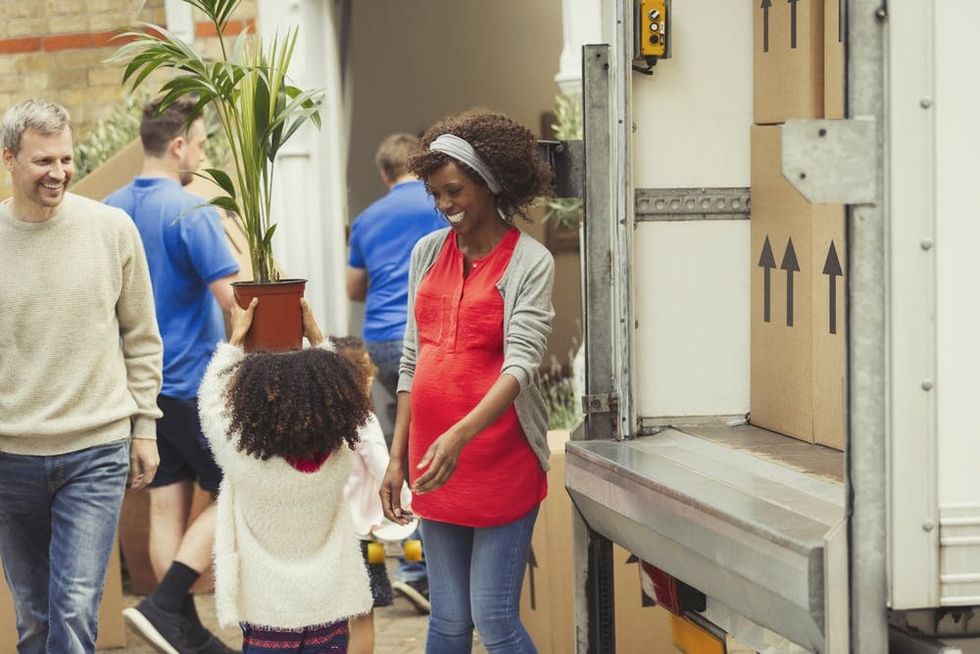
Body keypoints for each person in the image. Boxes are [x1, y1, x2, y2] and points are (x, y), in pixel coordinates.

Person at [379, 110, 555, 654]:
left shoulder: (530, 261)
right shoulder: (427, 254)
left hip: (499, 461)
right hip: (434, 464)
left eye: (454, 190)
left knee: (493, 616)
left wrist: (458, 435)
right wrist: (396, 456)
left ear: (489, 183)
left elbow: (520, 367)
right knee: (448, 619)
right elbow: (412, 359)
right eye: (437, 195)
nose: (446, 205)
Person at [0, 99, 163, 653]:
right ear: (10, 159)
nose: (59, 172)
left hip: (95, 450)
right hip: (10, 457)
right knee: (35, 619)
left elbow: (142, 338)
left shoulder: (112, 230)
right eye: (44, 160)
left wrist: (144, 427)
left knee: (73, 612)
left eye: (66, 158)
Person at [105, 96, 240, 653]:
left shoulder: (109, 211)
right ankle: (165, 606)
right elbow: (236, 300)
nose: (203, 157)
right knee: (237, 489)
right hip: (189, 385)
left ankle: (177, 626)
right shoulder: (192, 210)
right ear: (179, 145)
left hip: (138, 390)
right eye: (203, 145)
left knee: (166, 501)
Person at [199, 298, 374, 653]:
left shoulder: (247, 463)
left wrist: (234, 342)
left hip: (269, 609)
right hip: (329, 603)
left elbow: (211, 404)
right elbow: (339, 395)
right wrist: (317, 338)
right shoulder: (339, 456)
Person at [346, 132, 444, 610]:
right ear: (421, 167)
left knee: (397, 441)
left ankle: (405, 562)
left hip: (379, 342)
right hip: (426, 336)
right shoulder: (438, 206)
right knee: (424, 445)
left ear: (385, 174)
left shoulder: (366, 219)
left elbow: (353, 288)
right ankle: (419, 566)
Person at [332, 335, 418, 654]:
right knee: (361, 616)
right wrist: (406, 506)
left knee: (332, 618)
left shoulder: (320, 423)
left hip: (328, 536)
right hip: (361, 539)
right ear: (364, 378)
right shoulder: (362, 420)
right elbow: (384, 467)